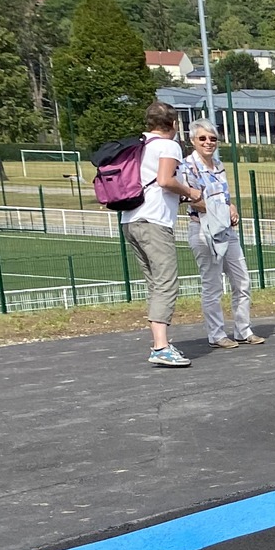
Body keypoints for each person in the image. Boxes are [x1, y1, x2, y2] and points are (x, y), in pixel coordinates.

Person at [121, 101, 201, 366]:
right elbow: (166, 180)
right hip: (154, 222)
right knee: (167, 282)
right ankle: (160, 347)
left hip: (131, 218)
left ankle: (160, 341)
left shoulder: (140, 144)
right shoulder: (169, 145)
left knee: (155, 282)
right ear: (173, 124)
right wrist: (190, 192)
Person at [180, 121, 264, 350]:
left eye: (212, 139)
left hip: (226, 229)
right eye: (203, 139)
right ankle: (216, 334)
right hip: (203, 229)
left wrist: (231, 206)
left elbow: (222, 197)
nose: (208, 143)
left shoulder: (218, 165)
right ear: (193, 141)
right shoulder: (186, 166)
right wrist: (221, 211)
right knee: (212, 284)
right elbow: (193, 201)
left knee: (242, 280)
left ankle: (243, 330)